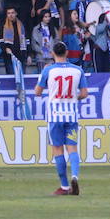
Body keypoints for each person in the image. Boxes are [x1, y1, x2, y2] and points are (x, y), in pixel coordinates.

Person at [34, 42, 88, 196]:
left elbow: (37, 92)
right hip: (71, 115)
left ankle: (64, 186)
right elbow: (84, 93)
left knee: (57, 149)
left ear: (53, 53)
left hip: (55, 115)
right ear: (67, 53)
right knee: (72, 148)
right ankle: (75, 177)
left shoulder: (48, 70)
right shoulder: (78, 70)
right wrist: (72, 97)